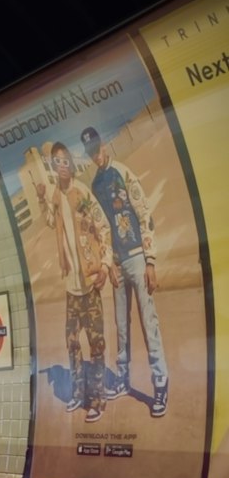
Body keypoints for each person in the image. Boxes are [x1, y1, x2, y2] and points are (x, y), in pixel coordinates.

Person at [81, 126, 169, 417]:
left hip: (137, 258)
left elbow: (144, 213)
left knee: (148, 322)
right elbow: (99, 232)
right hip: (118, 265)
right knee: (121, 326)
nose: (95, 155)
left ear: (103, 144)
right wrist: (108, 263)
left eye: (96, 148)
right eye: (90, 152)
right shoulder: (94, 187)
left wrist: (151, 260)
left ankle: (160, 384)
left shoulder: (123, 172)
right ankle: (122, 378)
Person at [35, 141, 113, 423]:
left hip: (89, 284)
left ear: (70, 161)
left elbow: (103, 226)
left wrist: (104, 264)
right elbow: (50, 222)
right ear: (53, 167)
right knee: (72, 343)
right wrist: (43, 198)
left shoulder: (82, 192)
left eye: (65, 159)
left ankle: (98, 398)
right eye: (56, 162)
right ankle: (79, 393)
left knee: (97, 343)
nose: (62, 165)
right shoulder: (56, 196)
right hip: (71, 287)